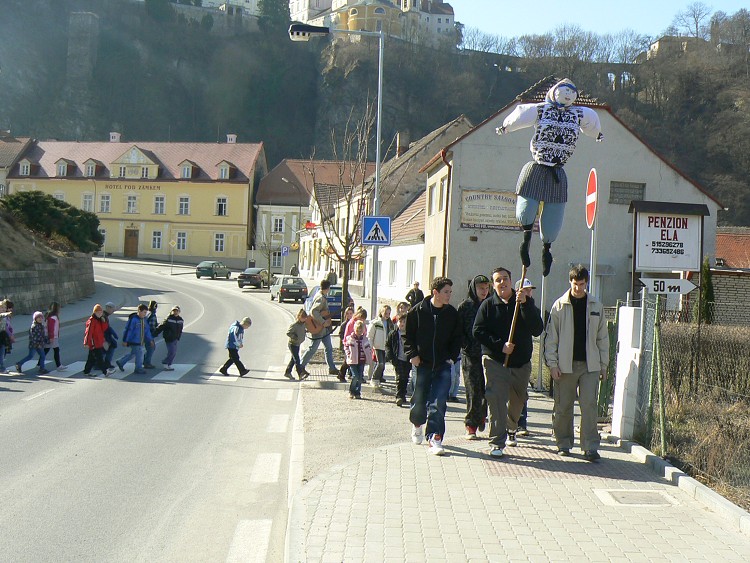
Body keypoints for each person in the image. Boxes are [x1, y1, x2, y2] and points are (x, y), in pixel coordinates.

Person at [497, 78, 603, 277]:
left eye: (571, 93)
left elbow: (592, 121)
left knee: (552, 220)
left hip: (557, 172)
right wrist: (506, 126)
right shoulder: (542, 109)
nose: (568, 96)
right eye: (564, 92)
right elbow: (521, 114)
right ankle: (526, 238)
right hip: (537, 167)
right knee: (527, 209)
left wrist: (597, 133)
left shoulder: (579, 113)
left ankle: (547, 249)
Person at [473, 268, 544, 458]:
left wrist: (526, 305)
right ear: (493, 284)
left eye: (505, 279)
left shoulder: (524, 303)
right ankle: (497, 442)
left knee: (518, 399)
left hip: (521, 363)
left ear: (512, 281)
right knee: (496, 400)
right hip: (495, 361)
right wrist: (500, 346)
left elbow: (537, 329)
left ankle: (511, 427)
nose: (502, 283)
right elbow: (478, 331)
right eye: (498, 280)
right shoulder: (488, 305)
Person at [545, 264, 609, 462]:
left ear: (586, 283)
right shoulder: (559, 306)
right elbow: (551, 338)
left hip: (590, 365)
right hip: (565, 365)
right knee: (563, 406)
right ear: (570, 282)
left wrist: (603, 365)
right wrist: (553, 364)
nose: (578, 288)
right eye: (575, 284)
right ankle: (563, 443)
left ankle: (590, 447)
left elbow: (603, 338)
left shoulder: (596, 306)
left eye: (582, 284)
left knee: (589, 405)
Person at [405, 276, 462, 456]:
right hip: (422, 363)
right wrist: (412, 355)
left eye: (450, 292)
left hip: (443, 365)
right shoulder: (417, 311)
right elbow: (407, 336)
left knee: (439, 403)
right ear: (435, 292)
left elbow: (456, 337)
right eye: (446, 292)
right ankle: (417, 424)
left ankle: (435, 438)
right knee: (419, 400)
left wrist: (452, 357)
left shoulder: (452, 313)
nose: (449, 295)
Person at [457, 274, 491, 439]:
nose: (484, 292)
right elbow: (459, 330)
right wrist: (466, 344)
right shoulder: (465, 306)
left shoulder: (491, 304)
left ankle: (482, 415)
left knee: (488, 390)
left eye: (486, 288)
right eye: (480, 288)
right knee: (473, 390)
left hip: (489, 353)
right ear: (473, 288)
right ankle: (471, 424)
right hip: (470, 355)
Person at [299, 279, 338, 376]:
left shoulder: (320, 295)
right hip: (318, 328)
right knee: (313, 348)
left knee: (329, 348)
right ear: (328, 288)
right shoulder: (320, 297)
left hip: (323, 329)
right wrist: (323, 321)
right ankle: (301, 366)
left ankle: (332, 368)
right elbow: (313, 311)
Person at [515, 278, 537, 436]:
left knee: (522, 392)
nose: (529, 292)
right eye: (526, 290)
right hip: (507, 357)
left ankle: (521, 423)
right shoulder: (512, 306)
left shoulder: (532, 307)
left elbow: (537, 328)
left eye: (530, 290)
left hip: (523, 359)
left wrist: (527, 306)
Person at [116, 304, 155, 375]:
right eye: (144, 312)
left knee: (133, 353)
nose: (145, 314)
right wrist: (125, 340)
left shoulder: (144, 320)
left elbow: (147, 331)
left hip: (140, 341)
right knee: (139, 354)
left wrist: (150, 340)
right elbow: (128, 330)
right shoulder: (134, 320)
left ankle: (121, 362)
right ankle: (138, 368)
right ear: (139, 311)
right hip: (134, 341)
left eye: (146, 313)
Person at [344, 319, 373, 399]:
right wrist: (348, 354)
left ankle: (358, 392)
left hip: (361, 360)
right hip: (353, 360)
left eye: (361, 331)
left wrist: (369, 357)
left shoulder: (365, 339)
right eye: (357, 331)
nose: (359, 332)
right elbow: (346, 347)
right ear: (355, 330)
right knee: (355, 376)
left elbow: (368, 349)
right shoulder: (350, 338)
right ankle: (351, 390)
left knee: (360, 377)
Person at [386, 313, 410, 406]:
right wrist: (391, 357)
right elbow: (388, 345)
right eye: (400, 321)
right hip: (397, 358)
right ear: (397, 322)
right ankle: (399, 396)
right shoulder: (393, 334)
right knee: (399, 377)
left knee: (405, 377)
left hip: (407, 359)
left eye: (404, 322)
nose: (402, 323)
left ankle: (403, 395)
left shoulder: (409, 334)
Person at [338, 307, 367, 383]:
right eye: (361, 318)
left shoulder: (361, 323)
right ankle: (341, 374)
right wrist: (346, 343)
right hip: (351, 343)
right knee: (348, 361)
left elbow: (365, 331)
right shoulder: (351, 323)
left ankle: (359, 376)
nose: (362, 320)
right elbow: (347, 334)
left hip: (359, 343)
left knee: (359, 361)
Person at [83, 304, 112, 377]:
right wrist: (86, 342)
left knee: (91, 358)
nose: (100, 314)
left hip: (98, 342)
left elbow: (104, 329)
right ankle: (105, 372)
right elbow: (88, 332)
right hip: (94, 343)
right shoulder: (92, 320)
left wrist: (103, 321)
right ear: (94, 312)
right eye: (98, 312)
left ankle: (86, 371)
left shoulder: (99, 320)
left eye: (101, 312)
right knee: (99, 358)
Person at [367, 305, 393, 385]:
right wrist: (370, 346)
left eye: (389, 313)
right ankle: (374, 378)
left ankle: (379, 377)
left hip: (385, 347)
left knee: (383, 364)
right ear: (381, 312)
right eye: (385, 313)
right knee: (380, 363)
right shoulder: (376, 323)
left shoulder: (390, 324)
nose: (387, 315)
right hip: (377, 346)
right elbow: (370, 335)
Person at [154, 305, 183, 371]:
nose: (175, 312)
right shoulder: (169, 319)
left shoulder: (180, 320)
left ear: (179, 312)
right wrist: (155, 333)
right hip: (169, 338)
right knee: (172, 351)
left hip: (175, 338)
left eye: (177, 311)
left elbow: (180, 330)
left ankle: (168, 364)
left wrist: (178, 337)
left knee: (174, 352)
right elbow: (161, 326)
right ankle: (165, 362)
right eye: (174, 311)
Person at [42, 302, 66, 372]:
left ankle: (39, 363)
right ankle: (58, 365)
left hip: (50, 336)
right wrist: (51, 337)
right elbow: (51, 328)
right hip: (52, 336)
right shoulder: (53, 317)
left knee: (46, 350)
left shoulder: (49, 315)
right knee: (56, 350)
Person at [285, 309, 309, 380]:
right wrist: (294, 337)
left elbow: (302, 330)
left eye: (305, 318)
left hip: (298, 344)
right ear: (299, 317)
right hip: (292, 344)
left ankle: (287, 372)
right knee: (297, 359)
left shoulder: (303, 324)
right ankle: (300, 373)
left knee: (293, 359)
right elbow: (288, 333)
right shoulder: (295, 325)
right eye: (303, 318)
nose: (304, 319)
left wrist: (305, 331)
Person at [102, 302, 119, 371]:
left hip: (106, 335)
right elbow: (103, 328)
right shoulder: (103, 316)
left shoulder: (105, 316)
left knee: (108, 348)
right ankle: (102, 363)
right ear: (108, 308)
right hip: (103, 336)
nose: (113, 311)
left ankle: (106, 362)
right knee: (103, 350)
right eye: (112, 309)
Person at [143, 300, 158, 369]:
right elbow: (151, 326)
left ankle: (145, 361)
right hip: (149, 334)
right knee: (151, 348)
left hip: (146, 334)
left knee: (150, 348)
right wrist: (156, 330)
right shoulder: (152, 314)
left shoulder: (148, 313)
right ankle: (147, 363)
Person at [0, 300, 13, 374]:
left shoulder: (5, 317)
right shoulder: (3, 315)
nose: (3, 309)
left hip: (2, 335)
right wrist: (6, 314)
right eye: (1, 308)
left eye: (4, 307)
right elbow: (1, 315)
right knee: (1, 353)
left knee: (2, 352)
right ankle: (1, 368)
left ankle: (1, 367)